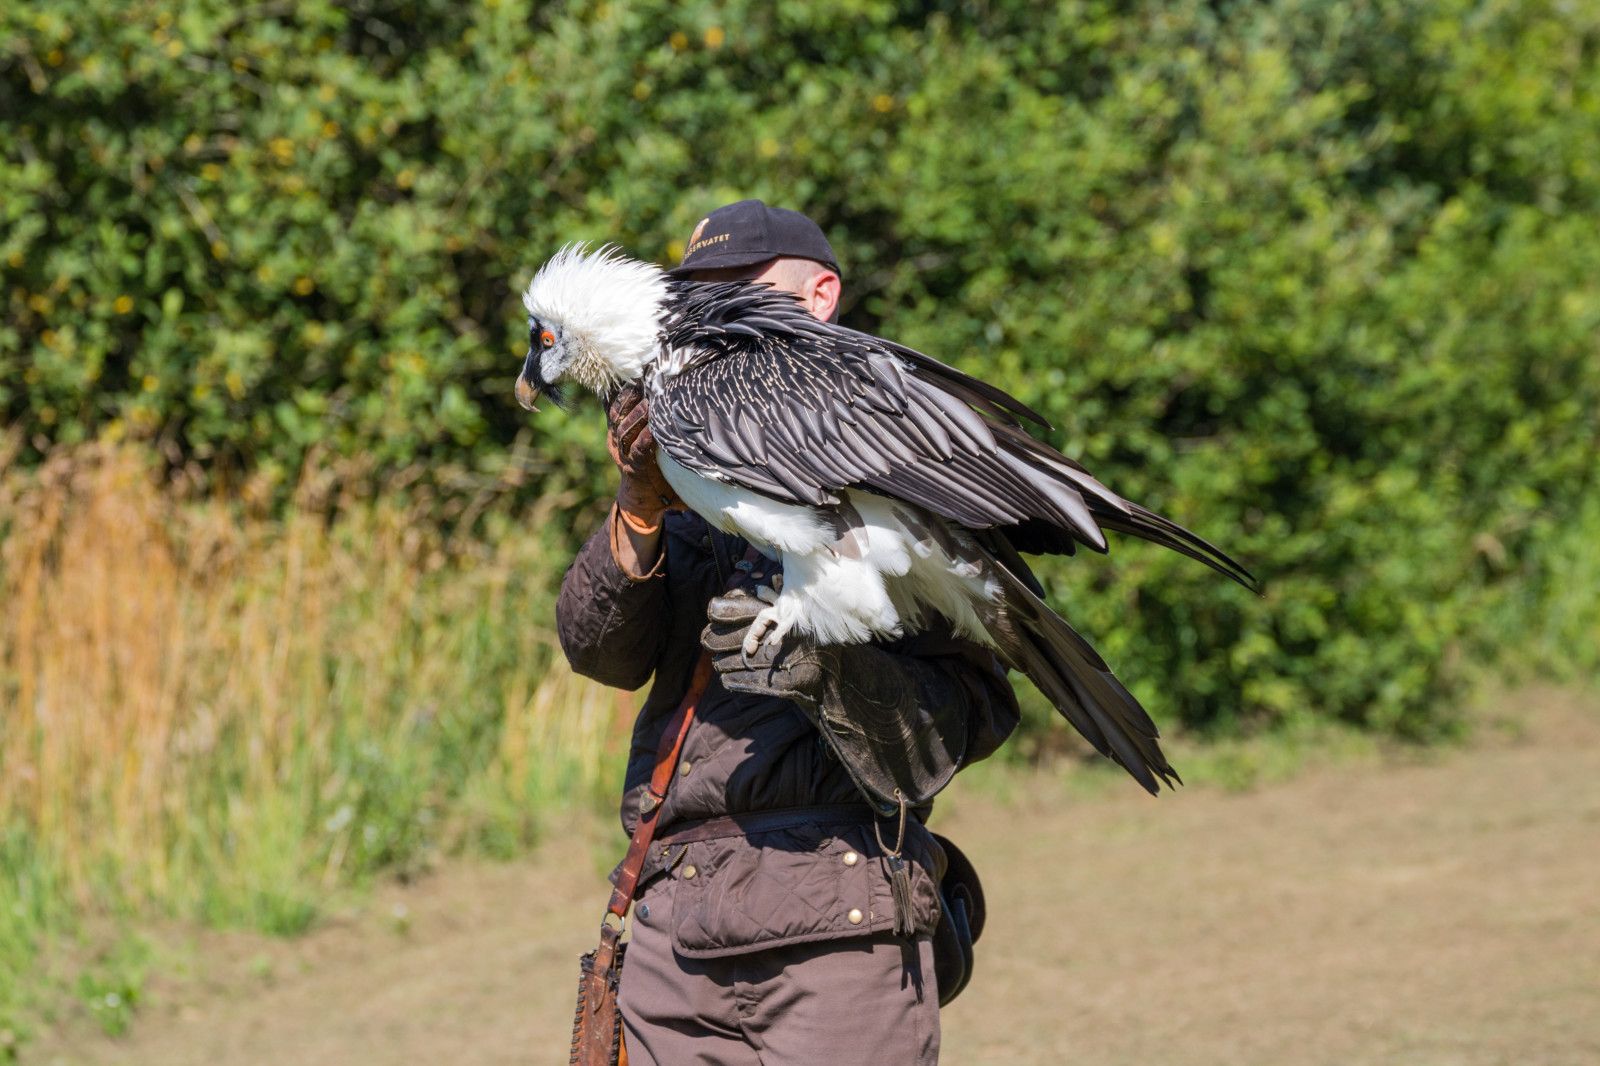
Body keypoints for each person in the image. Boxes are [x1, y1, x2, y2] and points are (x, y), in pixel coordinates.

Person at [555, 200, 1020, 1066]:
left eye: (741, 291)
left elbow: (967, 721)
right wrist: (641, 501)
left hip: (837, 916)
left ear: (820, 296)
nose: (710, 314)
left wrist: (817, 664)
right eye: (698, 293)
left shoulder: (899, 448)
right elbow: (598, 651)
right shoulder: (688, 459)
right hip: (675, 920)